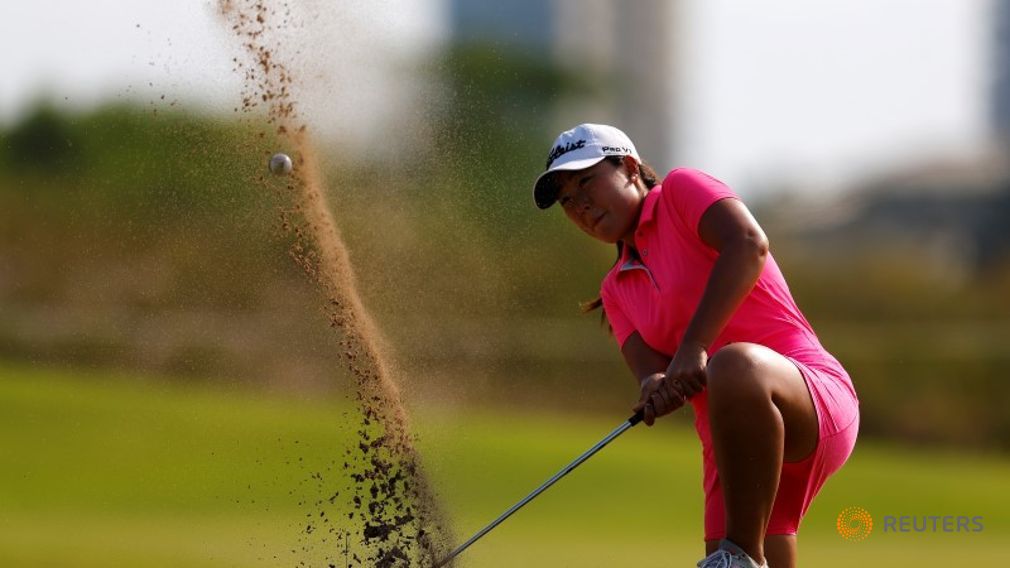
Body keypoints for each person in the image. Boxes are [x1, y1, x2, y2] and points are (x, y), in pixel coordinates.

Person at [532, 124, 860, 568]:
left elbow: (749, 244)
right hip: (734, 456)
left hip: (808, 396)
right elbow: (653, 375)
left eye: (586, 181)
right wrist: (654, 389)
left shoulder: (680, 192)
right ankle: (742, 555)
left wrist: (695, 346)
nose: (580, 204)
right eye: (567, 200)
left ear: (629, 168)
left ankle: (741, 556)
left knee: (734, 364)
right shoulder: (615, 289)